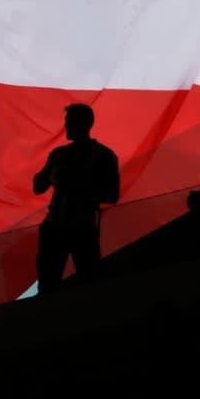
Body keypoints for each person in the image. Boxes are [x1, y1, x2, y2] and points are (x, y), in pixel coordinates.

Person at [33, 103, 120, 291]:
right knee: (47, 284)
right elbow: (38, 187)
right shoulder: (59, 154)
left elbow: (112, 194)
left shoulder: (103, 155)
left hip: (82, 228)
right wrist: (52, 172)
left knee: (88, 282)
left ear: (84, 123)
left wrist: (76, 184)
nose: (66, 126)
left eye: (70, 121)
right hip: (54, 227)